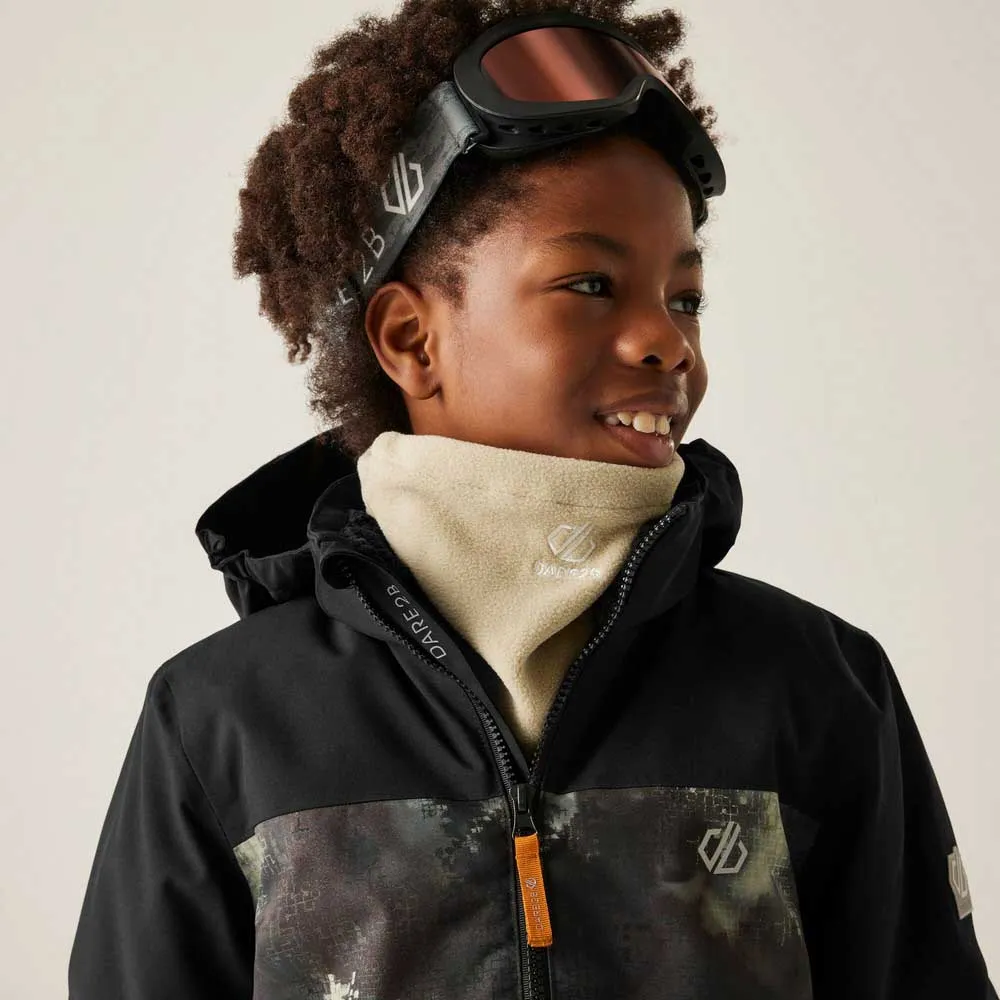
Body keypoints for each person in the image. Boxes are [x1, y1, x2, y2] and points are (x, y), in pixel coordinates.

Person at [68, 1, 996, 997]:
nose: (668, 341)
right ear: (411, 340)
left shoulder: (815, 686)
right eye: (591, 285)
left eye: (684, 296)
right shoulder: (224, 719)